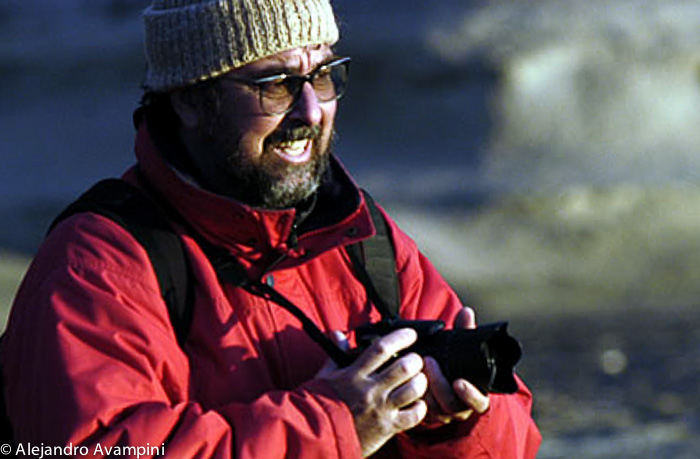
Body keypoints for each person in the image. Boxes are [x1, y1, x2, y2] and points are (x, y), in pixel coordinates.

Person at [0, 0, 541, 457]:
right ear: (191, 98)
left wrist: (456, 419)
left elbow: (520, 440)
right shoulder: (100, 262)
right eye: (275, 84)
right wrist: (335, 426)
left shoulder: (363, 237)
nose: (311, 111)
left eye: (323, 76)